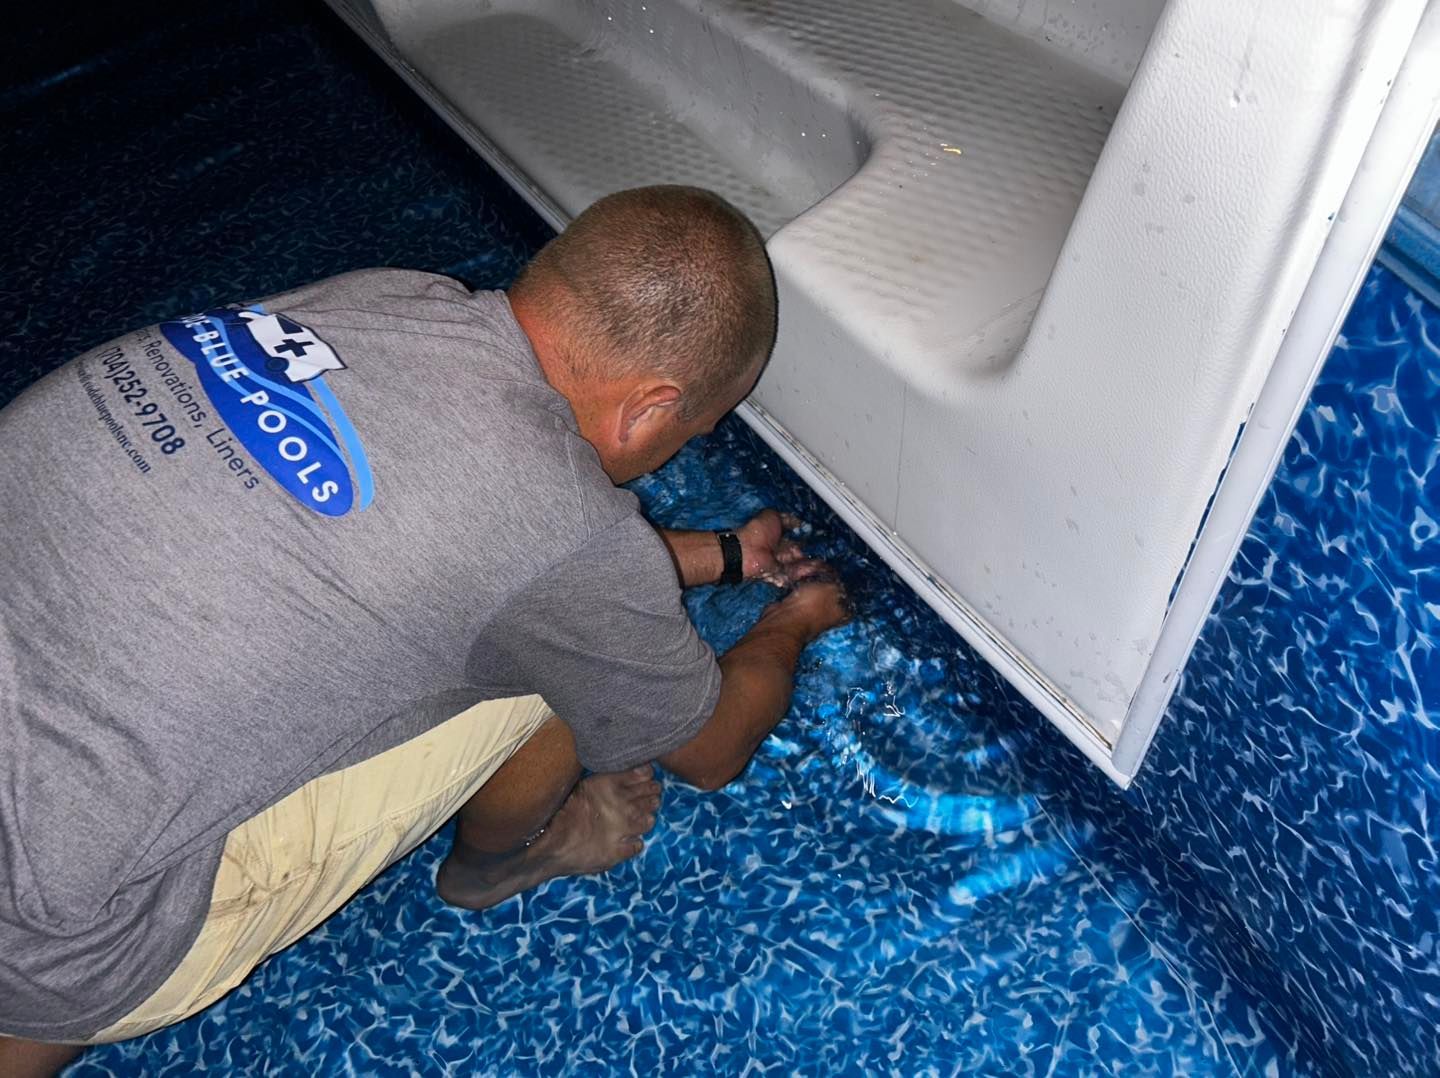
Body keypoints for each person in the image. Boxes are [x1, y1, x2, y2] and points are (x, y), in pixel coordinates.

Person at [0, 185, 850, 1075]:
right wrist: (794, 620)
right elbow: (707, 749)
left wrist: (721, 555)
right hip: (48, 937)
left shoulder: (385, 299)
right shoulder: (565, 534)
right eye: (691, 430)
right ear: (648, 407)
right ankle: (493, 870)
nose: (676, 449)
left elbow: (438, 529)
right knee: (557, 673)